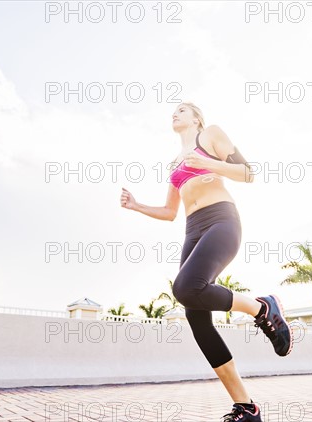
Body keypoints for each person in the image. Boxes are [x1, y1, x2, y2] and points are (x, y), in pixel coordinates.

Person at [120, 102, 292, 422]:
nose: (175, 114)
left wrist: (208, 163)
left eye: (182, 110)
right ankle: (246, 407)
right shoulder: (175, 163)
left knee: (186, 287)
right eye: (174, 111)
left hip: (221, 220)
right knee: (195, 315)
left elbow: (248, 173)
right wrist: (136, 206)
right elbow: (170, 212)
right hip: (192, 230)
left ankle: (262, 307)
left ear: (197, 118)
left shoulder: (211, 135)